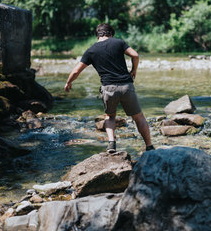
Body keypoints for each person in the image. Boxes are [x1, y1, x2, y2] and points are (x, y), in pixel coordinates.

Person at [64, 23, 154, 153]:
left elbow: (76, 71)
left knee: (110, 117)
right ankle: (149, 146)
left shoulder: (91, 50)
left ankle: (112, 144)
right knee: (138, 117)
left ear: (97, 35)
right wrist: (134, 70)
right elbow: (135, 55)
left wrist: (68, 82)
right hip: (126, 86)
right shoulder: (118, 43)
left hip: (108, 88)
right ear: (111, 34)